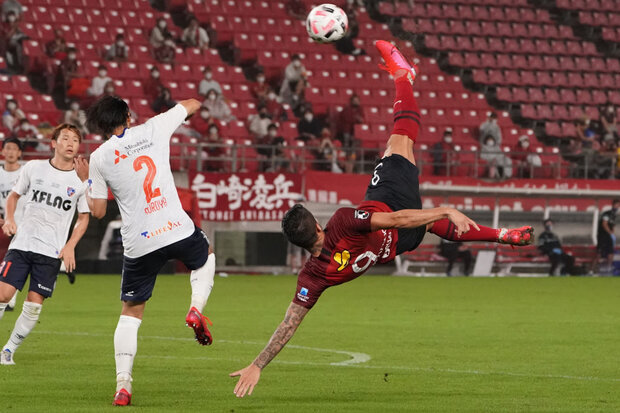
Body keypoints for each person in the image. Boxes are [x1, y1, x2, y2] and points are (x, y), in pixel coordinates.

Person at [230, 41, 534, 397]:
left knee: (426, 214)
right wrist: (445, 208)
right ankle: (404, 77)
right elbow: (398, 219)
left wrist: (257, 364)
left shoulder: (312, 276)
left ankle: (503, 235)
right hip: (391, 206)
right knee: (400, 138)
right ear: (316, 226)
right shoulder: (342, 222)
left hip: (402, 244)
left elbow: (288, 324)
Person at [80, 96, 216, 406]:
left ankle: (123, 386)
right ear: (128, 116)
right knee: (205, 256)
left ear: (100, 125)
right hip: (175, 228)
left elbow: (98, 211)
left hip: (140, 242)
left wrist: (85, 178)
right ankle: (196, 307)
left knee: (131, 314)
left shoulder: (99, 158)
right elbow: (192, 103)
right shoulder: (154, 128)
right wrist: (182, 109)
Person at [0, 124, 89, 366]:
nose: (71, 143)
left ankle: (8, 350)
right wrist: (9, 218)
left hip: (51, 252)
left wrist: (70, 245)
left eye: (75, 140)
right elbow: (13, 196)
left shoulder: (81, 179)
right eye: (66, 138)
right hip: (22, 244)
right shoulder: (34, 168)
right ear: (53, 143)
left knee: (33, 307)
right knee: (3, 295)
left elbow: (84, 217)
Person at [0, 137, 23, 311]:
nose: (10, 152)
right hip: (2, 224)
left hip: (22, 226)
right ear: (2, 151)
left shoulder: (25, 173)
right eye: (7, 148)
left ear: (20, 153)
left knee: (14, 263)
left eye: (14, 148)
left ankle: (11, 299)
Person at [597, 199, 619, 274]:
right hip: (603, 236)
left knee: (611, 252)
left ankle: (609, 268)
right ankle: (594, 269)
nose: (618, 207)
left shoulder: (614, 215)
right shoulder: (607, 214)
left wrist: (612, 233)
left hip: (609, 236)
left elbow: (612, 225)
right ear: (613, 205)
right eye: (617, 205)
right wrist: (610, 233)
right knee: (599, 253)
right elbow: (604, 224)